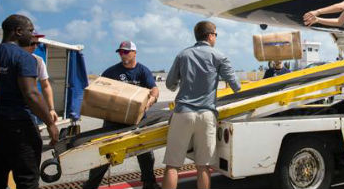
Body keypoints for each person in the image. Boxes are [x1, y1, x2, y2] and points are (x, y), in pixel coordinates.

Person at [163, 21, 241, 189]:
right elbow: (236, 86)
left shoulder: (183, 55)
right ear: (210, 35)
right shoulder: (219, 56)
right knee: (203, 166)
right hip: (206, 115)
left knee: (172, 166)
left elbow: (170, 84)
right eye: (216, 35)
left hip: (183, 113)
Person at [0, 14, 59, 189]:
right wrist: (50, 123)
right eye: (30, 30)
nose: (32, 34)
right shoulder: (24, 57)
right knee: (27, 179)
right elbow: (31, 94)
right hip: (19, 128)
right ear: (18, 31)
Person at [82, 41, 160, 189]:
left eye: (126, 51)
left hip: (137, 120)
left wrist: (151, 99)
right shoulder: (111, 72)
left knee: (145, 152)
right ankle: (91, 185)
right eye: (120, 52)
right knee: (104, 154)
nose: (122, 54)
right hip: (113, 121)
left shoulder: (143, 71)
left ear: (134, 53)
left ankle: (149, 183)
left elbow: (154, 89)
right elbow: (99, 90)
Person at [24, 32, 59, 123]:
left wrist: (51, 109)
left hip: (29, 108)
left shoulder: (38, 61)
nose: (35, 47)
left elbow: (45, 85)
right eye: (32, 43)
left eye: (37, 44)